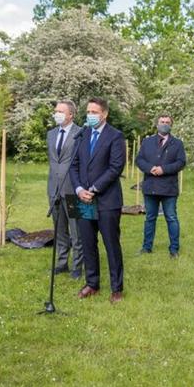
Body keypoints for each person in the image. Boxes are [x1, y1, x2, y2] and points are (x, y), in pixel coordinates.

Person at [69, 97, 126, 303]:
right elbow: (73, 165)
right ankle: (92, 283)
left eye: (94, 112)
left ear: (104, 114)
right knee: (87, 242)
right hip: (82, 199)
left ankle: (116, 288)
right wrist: (78, 189)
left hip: (107, 200)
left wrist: (93, 189)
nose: (90, 115)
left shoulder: (115, 136)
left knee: (111, 244)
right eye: (88, 112)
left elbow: (115, 167)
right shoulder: (82, 135)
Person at [136, 114, 187, 258]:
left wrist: (163, 169)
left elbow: (181, 162)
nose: (164, 124)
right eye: (162, 122)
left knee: (171, 217)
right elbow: (139, 159)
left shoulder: (177, 144)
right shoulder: (147, 142)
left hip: (169, 188)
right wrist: (150, 168)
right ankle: (146, 247)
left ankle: (174, 249)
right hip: (150, 186)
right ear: (156, 124)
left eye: (167, 122)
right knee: (150, 218)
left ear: (171, 125)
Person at [47, 99, 83, 279]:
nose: (56, 114)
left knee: (77, 230)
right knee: (60, 230)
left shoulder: (81, 134)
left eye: (60, 111)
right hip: (54, 188)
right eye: (55, 111)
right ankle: (62, 263)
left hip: (73, 188)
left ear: (71, 114)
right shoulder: (51, 134)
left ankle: (78, 266)